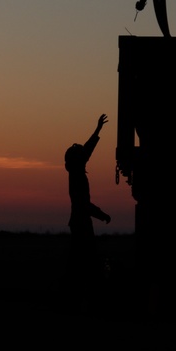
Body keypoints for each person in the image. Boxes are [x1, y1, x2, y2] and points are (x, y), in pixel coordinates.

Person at [65, 114, 112, 306]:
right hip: (81, 223)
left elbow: (87, 150)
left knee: (80, 262)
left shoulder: (75, 171)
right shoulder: (77, 177)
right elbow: (84, 204)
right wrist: (101, 214)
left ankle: (77, 296)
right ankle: (84, 298)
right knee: (86, 262)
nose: (85, 155)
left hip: (79, 222)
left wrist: (98, 130)